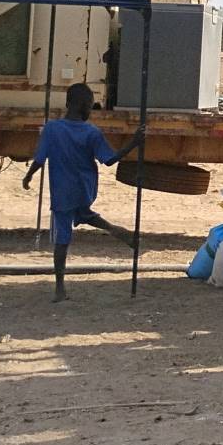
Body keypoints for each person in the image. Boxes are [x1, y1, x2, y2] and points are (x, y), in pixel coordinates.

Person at [22, 82, 140, 300]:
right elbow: (110, 159)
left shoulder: (52, 129)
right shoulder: (92, 132)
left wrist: (28, 176)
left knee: (62, 239)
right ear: (86, 106)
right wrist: (133, 143)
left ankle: (60, 287)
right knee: (85, 214)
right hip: (84, 189)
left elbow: (39, 158)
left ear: (68, 103)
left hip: (61, 191)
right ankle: (114, 229)